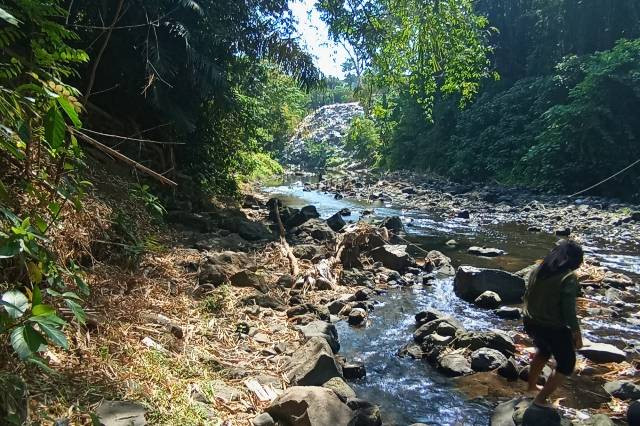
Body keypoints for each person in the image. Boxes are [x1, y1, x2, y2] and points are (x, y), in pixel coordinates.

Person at [522, 239, 584, 408]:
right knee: (566, 364)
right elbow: (568, 309)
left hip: (531, 322)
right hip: (551, 328)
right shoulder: (568, 277)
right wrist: (576, 332)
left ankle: (531, 388)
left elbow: (528, 294)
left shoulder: (539, 269)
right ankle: (540, 400)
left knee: (543, 351)